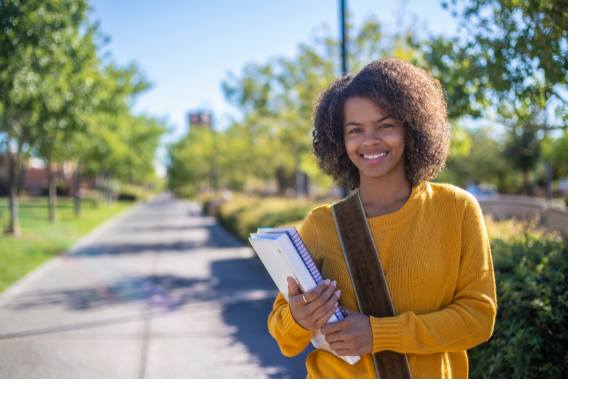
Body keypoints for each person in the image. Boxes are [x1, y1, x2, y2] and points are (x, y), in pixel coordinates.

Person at [267, 58, 497, 378]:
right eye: (355, 130)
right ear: (340, 140)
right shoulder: (321, 225)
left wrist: (377, 334)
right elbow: (284, 339)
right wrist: (299, 318)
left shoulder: (457, 209)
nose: (370, 140)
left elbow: (478, 319)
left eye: (385, 125)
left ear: (411, 128)